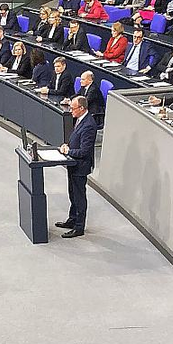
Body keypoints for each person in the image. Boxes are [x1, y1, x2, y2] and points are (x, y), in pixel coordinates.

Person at [56, 96, 97, 238]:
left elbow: (85, 151)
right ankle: (72, 220)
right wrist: (68, 146)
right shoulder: (80, 120)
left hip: (80, 166)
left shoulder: (89, 125)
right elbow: (76, 140)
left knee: (79, 197)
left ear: (81, 108)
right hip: (72, 164)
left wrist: (69, 151)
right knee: (72, 194)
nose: (70, 111)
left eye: (73, 108)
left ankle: (79, 227)